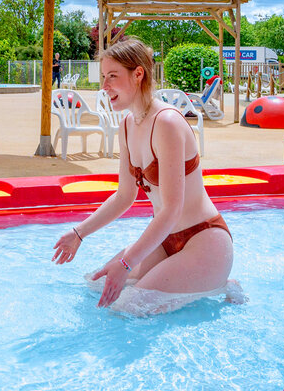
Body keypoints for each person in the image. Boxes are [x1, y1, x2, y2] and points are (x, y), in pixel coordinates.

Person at [51, 37, 233, 312]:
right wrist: (79, 233)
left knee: (127, 308)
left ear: (138, 74)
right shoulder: (126, 123)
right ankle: (204, 281)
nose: (104, 87)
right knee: (95, 285)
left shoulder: (168, 122)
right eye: (103, 77)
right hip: (164, 240)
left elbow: (172, 209)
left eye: (112, 76)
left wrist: (126, 263)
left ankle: (220, 281)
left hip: (204, 240)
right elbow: (125, 195)